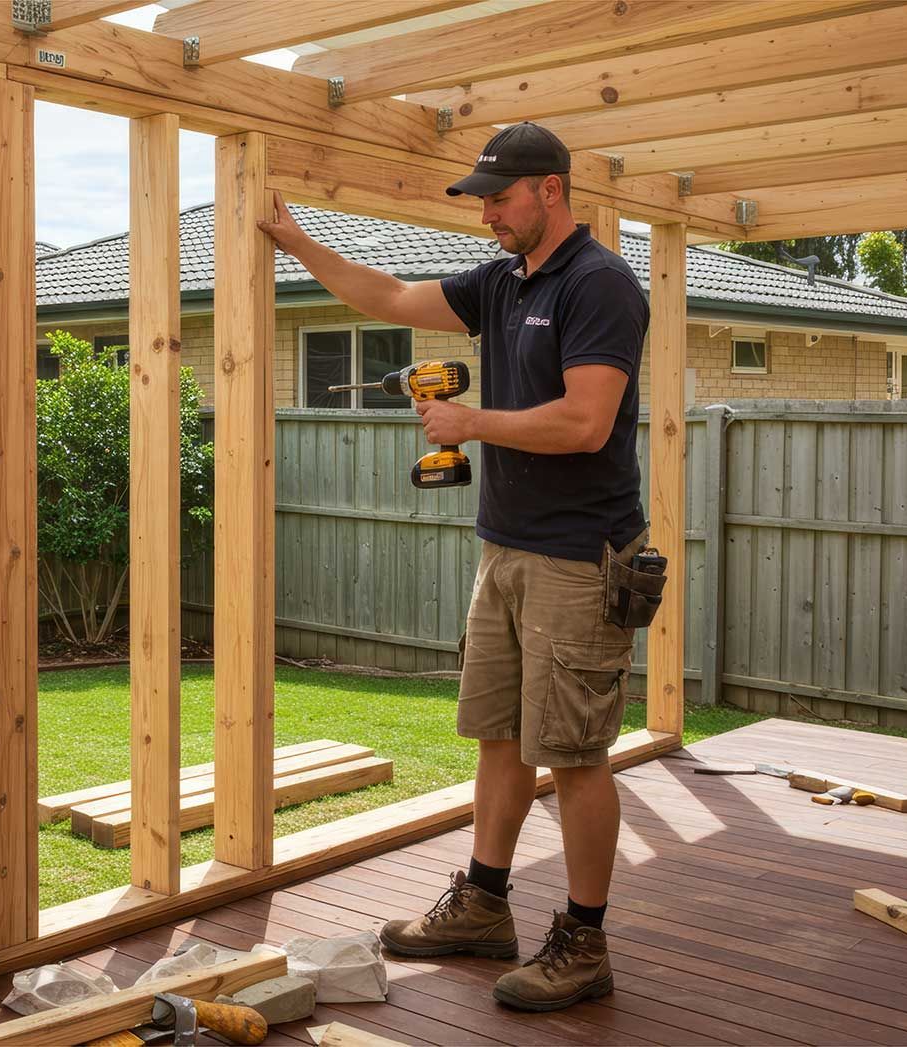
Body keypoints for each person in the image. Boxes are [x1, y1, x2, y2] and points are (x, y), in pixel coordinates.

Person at [258, 121, 651, 1012]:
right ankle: (483, 902)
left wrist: (472, 422)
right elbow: (390, 296)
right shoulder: (503, 283)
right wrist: (296, 240)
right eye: (480, 202)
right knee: (500, 734)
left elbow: (586, 422)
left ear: (551, 190)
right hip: (507, 546)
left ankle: (584, 942)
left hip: (579, 557)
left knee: (578, 755)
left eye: (500, 199)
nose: (488, 217)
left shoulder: (601, 284)